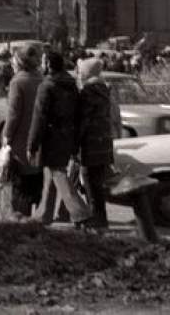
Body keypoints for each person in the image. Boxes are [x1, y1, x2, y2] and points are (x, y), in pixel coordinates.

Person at [27, 50, 93, 227]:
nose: (41, 65)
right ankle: (44, 214)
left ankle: (80, 212)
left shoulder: (47, 86)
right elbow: (79, 114)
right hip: (68, 135)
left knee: (57, 173)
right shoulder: (71, 84)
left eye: (43, 62)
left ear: (48, 64)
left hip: (51, 137)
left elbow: (39, 117)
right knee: (52, 173)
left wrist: (32, 144)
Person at [4, 46, 45, 218]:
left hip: (21, 138)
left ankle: (20, 216)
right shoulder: (41, 79)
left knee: (20, 182)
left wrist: (6, 135)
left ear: (19, 62)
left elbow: (14, 113)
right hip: (39, 139)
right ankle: (33, 214)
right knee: (36, 179)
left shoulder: (17, 82)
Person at [76, 57, 117, 229]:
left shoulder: (88, 92)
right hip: (103, 143)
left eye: (80, 71)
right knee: (98, 182)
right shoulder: (103, 90)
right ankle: (101, 217)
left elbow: (83, 120)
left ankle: (95, 218)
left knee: (89, 181)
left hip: (90, 143)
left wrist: (76, 141)